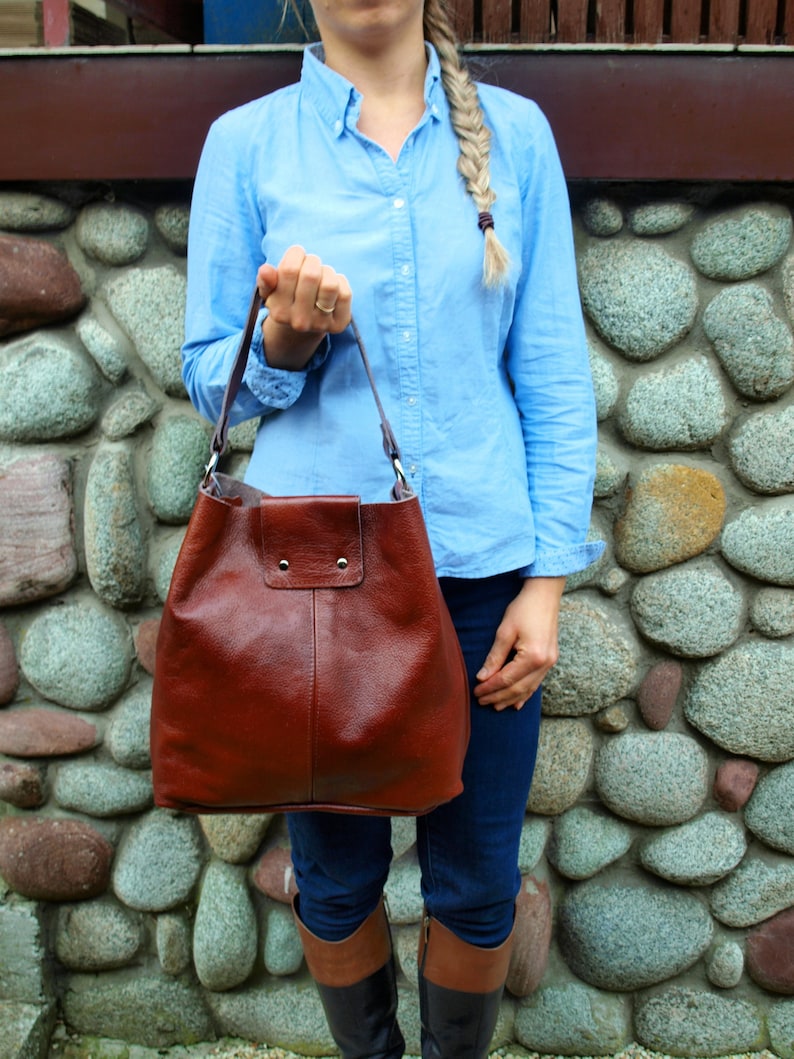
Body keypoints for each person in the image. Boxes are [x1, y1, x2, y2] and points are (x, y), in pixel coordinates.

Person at [181, 1, 603, 1055]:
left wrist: (544, 585)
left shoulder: (517, 136)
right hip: (308, 584)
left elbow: (550, 374)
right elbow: (213, 392)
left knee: (475, 885)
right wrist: (280, 338)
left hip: (480, 580)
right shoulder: (246, 145)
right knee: (332, 880)